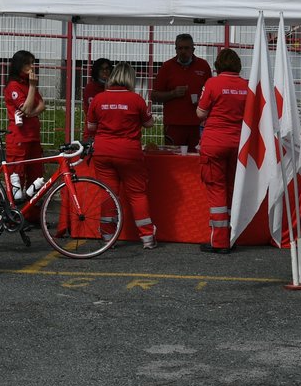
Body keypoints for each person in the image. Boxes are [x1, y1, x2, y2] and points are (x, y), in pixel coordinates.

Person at [85, 63, 157, 248]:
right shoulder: (136, 99)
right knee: (137, 194)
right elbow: (149, 124)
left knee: (108, 193)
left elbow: (91, 127)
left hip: (102, 151)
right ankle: (147, 236)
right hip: (129, 152)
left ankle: (108, 236)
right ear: (130, 78)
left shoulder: (99, 99)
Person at [195, 48, 250, 254]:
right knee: (231, 190)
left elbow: (201, 113)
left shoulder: (213, 83)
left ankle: (219, 241)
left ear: (218, 65)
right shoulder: (246, 86)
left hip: (214, 142)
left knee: (216, 190)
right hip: (238, 143)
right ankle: (231, 235)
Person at [152, 34, 212, 149]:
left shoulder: (203, 66)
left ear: (193, 49)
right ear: (175, 49)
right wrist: (172, 94)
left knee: (196, 159)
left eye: (186, 48)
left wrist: (201, 101)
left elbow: (211, 93)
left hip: (197, 125)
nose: (183, 51)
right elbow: (154, 96)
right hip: (174, 125)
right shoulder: (167, 67)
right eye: (180, 48)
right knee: (173, 159)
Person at [3, 50, 44, 196]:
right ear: (19, 66)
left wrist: (31, 113)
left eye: (33, 63)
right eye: (28, 63)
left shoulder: (27, 84)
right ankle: (14, 213)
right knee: (17, 177)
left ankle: (31, 212)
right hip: (19, 138)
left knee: (37, 177)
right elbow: (25, 107)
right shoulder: (14, 85)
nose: (32, 67)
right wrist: (33, 86)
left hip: (33, 136)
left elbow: (42, 105)